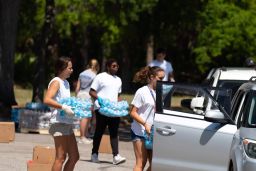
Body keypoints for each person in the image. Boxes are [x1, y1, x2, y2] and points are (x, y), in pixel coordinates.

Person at [44, 57, 79, 171]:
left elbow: (64, 102)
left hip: (66, 123)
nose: (72, 70)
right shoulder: (56, 82)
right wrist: (63, 107)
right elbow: (47, 100)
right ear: (61, 69)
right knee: (61, 157)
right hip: (58, 123)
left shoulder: (66, 83)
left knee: (74, 156)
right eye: (69, 68)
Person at [89, 58, 126, 165]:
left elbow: (118, 95)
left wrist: (120, 106)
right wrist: (100, 99)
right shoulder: (100, 77)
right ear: (108, 67)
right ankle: (94, 154)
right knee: (99, 131)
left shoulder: (118, 80)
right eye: (113, 66)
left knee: (114, 132)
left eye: (117, 66)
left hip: (114, 110)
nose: (116, 68)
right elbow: (91, 91)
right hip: (101, 109)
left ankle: (116, 156)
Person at [130, 66, 165, 171]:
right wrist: (145, 124)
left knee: (155, 165)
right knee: (141, 163)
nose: (163, 81)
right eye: (160, 78)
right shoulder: (142, 91)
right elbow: (132, 112)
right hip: (139, 131)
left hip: (153, 132)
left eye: (164, 78)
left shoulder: (159, 92)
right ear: (151, 77)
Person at [75, 58, 100, 144]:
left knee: (84, 116)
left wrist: (77, 96)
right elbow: (94, 89)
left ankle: (85, 135)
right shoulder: (95, 75)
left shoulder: (82, 73)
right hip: (88, 96)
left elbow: (77, 88)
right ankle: (82, 137)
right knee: (85, 117)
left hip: (80, 94)